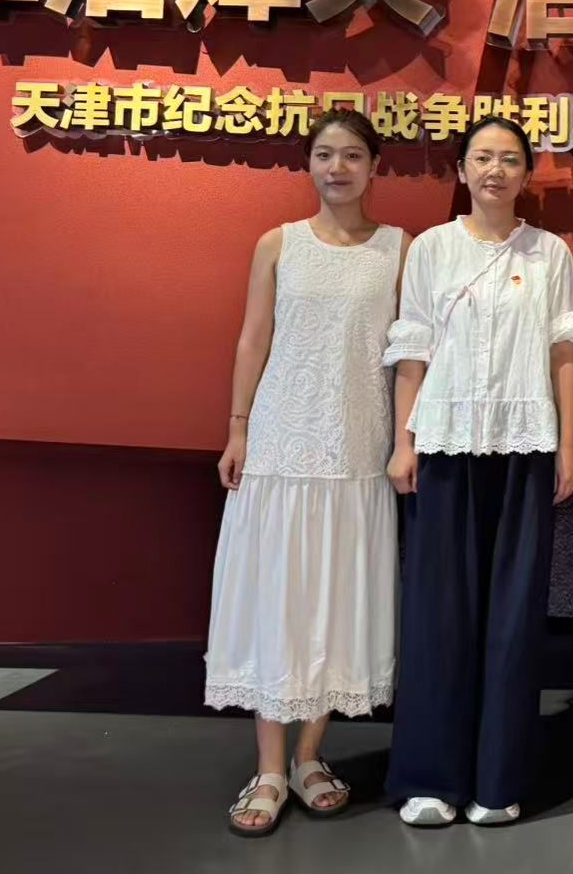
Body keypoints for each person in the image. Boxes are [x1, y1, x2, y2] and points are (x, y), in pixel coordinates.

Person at [382, 115, 573, 828]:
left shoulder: (550, 252)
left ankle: (498, 781)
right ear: (462, 170)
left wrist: (567, 448)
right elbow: (412, 349)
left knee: (513, 618)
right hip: (443, 446)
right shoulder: (432, 249)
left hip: (525, 449)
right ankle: (430, 779)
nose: (495, 170)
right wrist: (404, 442)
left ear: (526, 174)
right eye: (482, 158)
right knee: (438, 614)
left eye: (508, 160)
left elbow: (565, 354)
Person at [206, 108, 406, 838]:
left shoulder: (399, 249)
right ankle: (268, 769)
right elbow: (253, 338)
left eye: (352, 155)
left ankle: (310, 757)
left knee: (335, 604)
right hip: (280, 449)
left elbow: (409, 353)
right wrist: (237, 429)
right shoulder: (278, 243)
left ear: (374, 165)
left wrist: (404, 439)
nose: (337, 167)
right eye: (324, 154)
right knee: (278, 603)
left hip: (358, 452)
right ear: (309, 164)